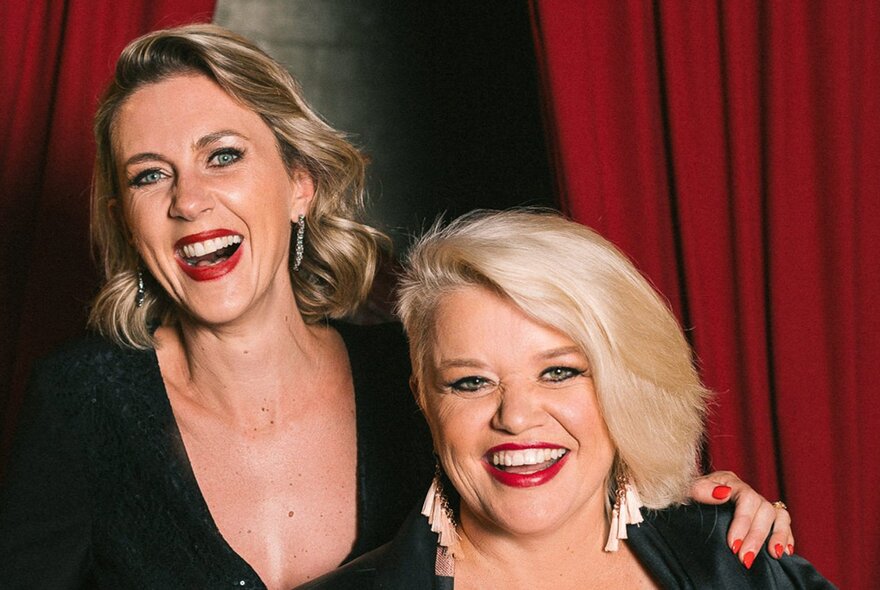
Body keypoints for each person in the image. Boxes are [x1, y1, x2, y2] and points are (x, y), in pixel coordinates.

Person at [0, 25, 793, 590]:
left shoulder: (417, 375)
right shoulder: (82, 401)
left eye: (224, 156)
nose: (189, 200)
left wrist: (692, 514)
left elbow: (556, 502)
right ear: (127, 220)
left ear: (300, 183)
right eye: (149, 176)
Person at [301, 210, 833, 589]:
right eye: (471, 382)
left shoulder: (735, 559)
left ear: (624, 383)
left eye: (559, 372)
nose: (516, 415)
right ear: (424, 398)